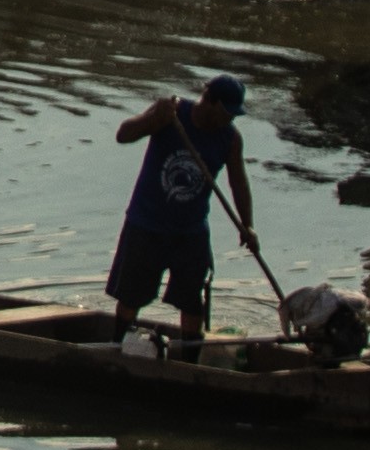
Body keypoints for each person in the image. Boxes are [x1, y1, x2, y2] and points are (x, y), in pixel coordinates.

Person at [107, 74, 261, 337]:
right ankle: (118, 348)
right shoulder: (172, 114)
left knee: (192, 303)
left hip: (190, 231)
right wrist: (152, 120)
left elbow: (238, 183)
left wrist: (247, 225)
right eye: (226, 113)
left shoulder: (230, 139)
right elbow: (123, 135)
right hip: (147, 224)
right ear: (209, 101)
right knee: (132, 297)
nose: (230, 120)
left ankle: (192, 364)